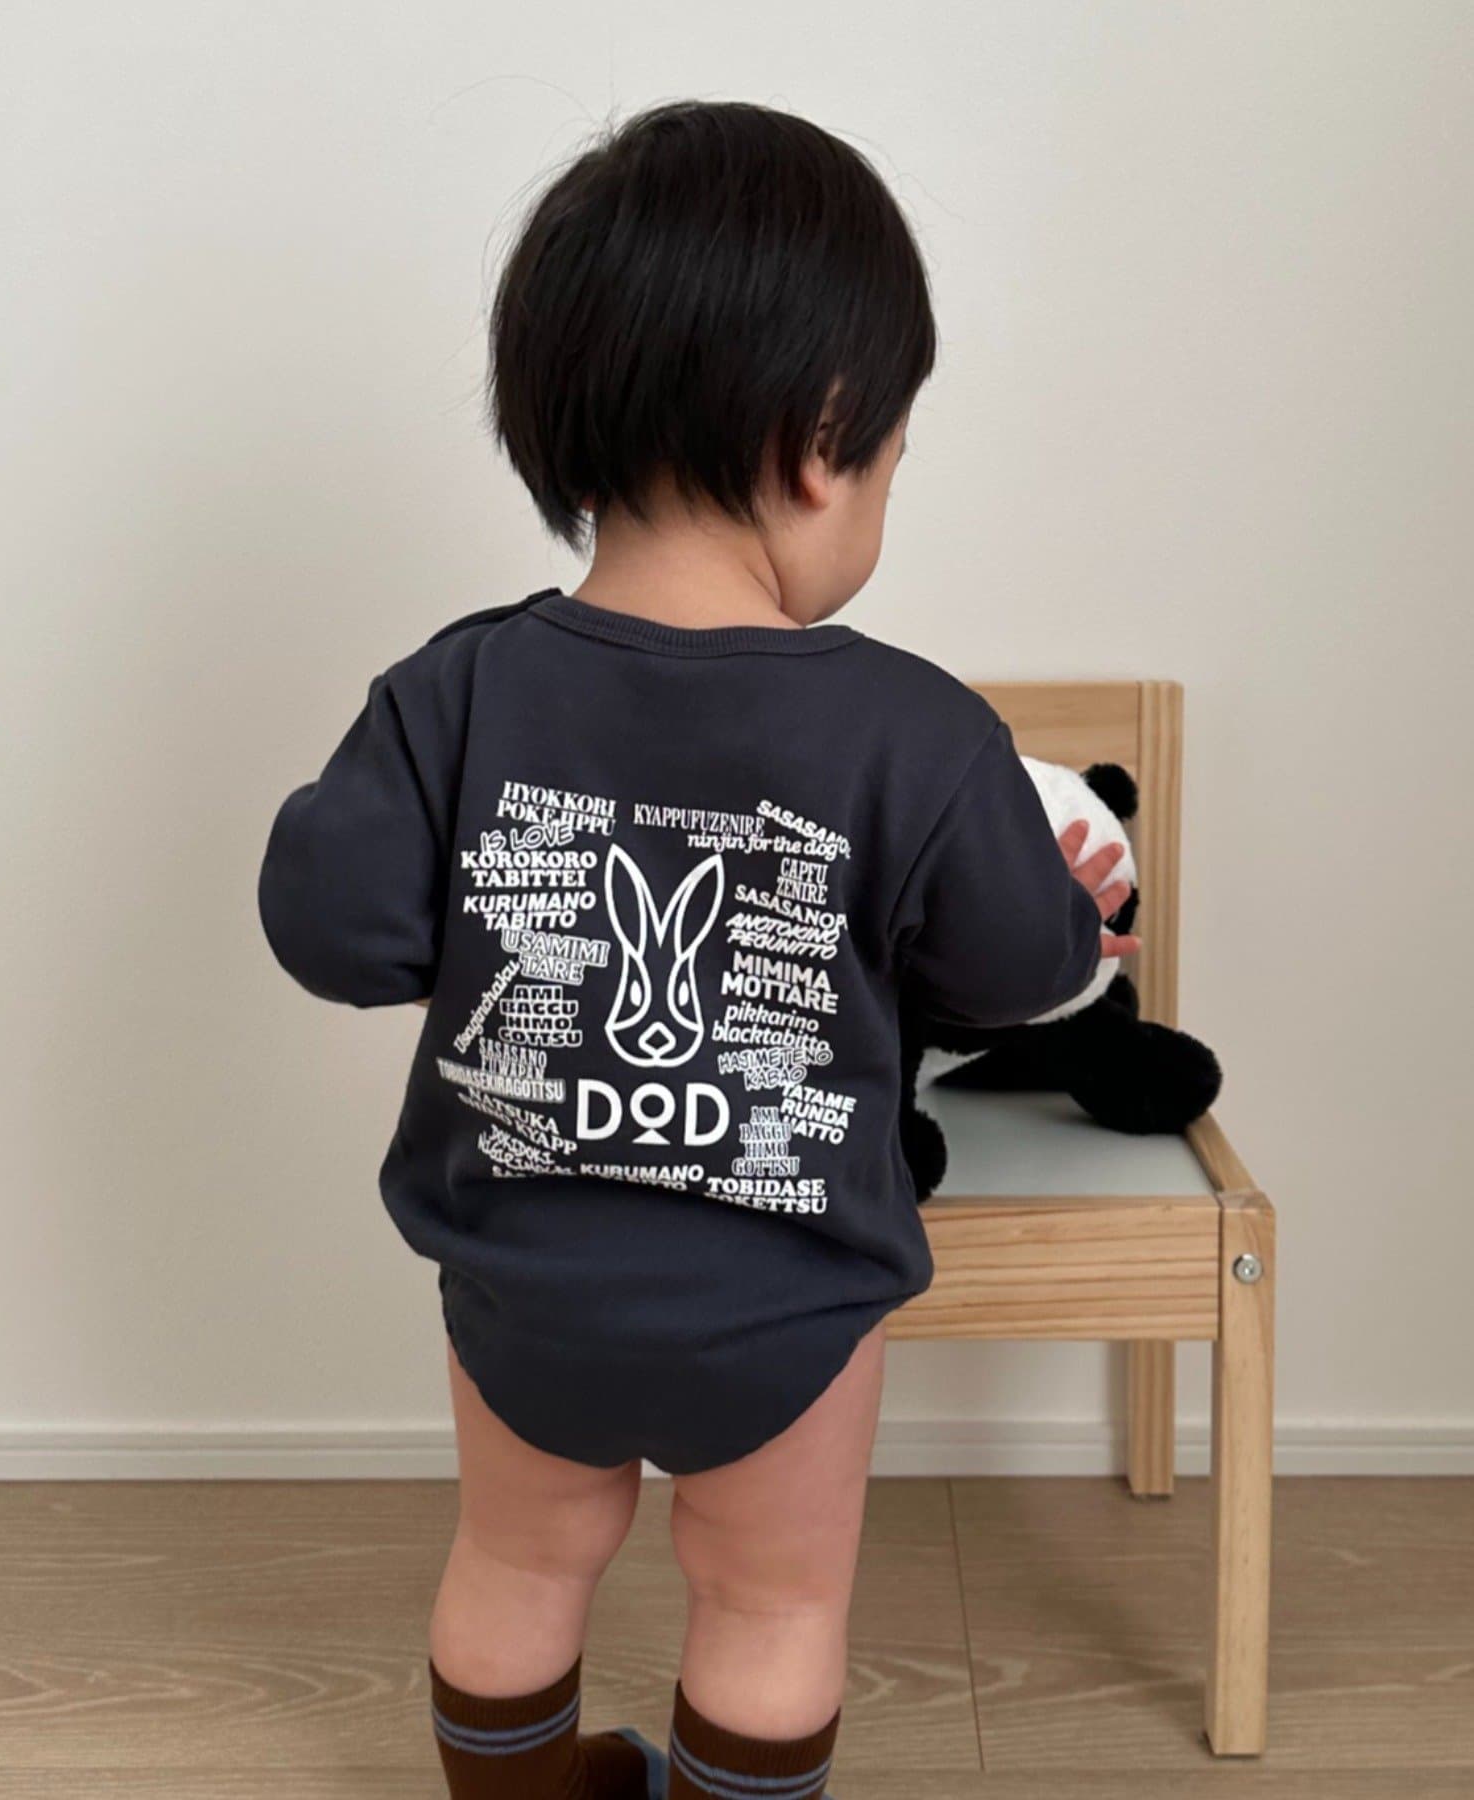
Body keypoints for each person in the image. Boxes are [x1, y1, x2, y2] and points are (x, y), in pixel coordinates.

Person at [258, 98, 1138, 1800]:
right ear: (826, 438)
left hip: (525, 1279)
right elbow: (1019, 976)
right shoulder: (917, 733)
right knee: (773, 1598)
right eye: (891, 461)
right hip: (783, 1298)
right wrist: (1062, 903)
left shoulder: (453, 690)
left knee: (516, 1562)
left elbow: (331, 929)